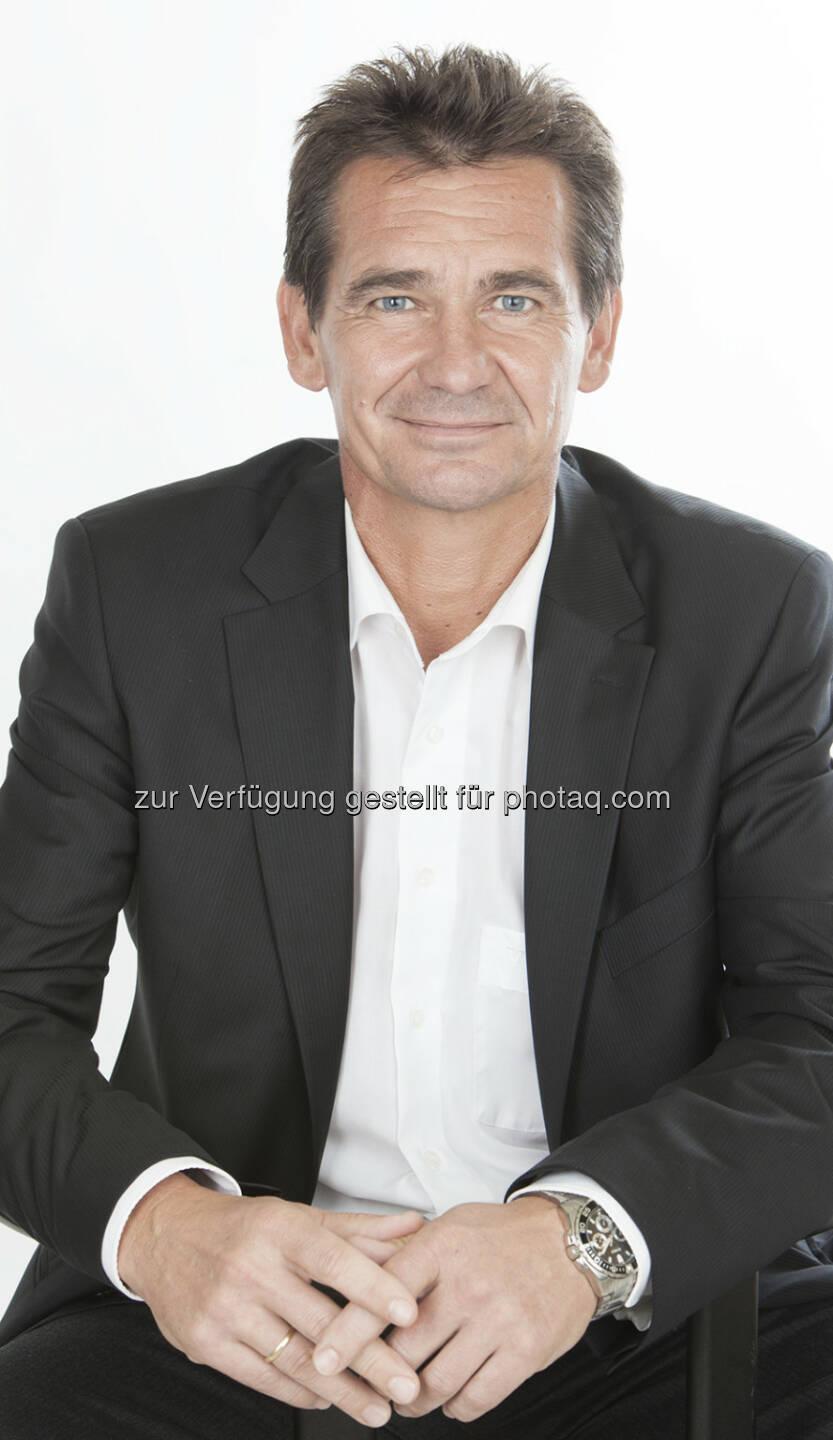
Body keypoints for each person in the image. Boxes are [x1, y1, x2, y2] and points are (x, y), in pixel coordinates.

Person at [1, 42, 832, 1440]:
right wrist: (167, 1227)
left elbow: (820, 1028)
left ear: (599, 333)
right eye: (394, 297)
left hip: (630, 1306)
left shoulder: (748, 610)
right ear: (302, 330)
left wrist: (582, 1237)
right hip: (239, 1299)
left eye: (514, 297)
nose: (455, 363)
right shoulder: (135, 588)